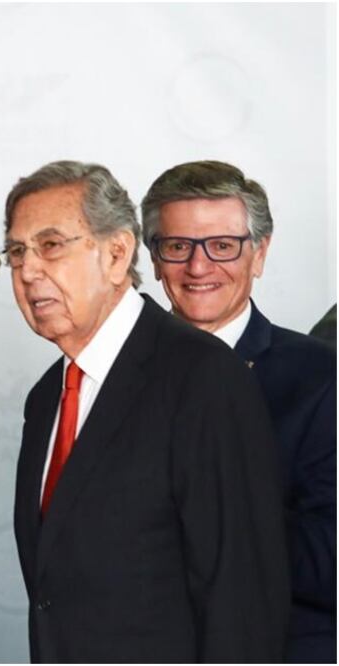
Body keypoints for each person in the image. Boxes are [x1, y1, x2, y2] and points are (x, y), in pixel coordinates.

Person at [5, 161, 289, 662]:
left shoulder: (205, 377)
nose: (28, 271)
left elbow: (241, 601)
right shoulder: (46, 397)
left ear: (117, 254)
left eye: (50, 246)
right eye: (17, 251)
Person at [142, 160, 336, 663]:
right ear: (155, 259)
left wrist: (198, 523)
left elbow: (330, 558)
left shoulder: (322, 378)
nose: (199, 267)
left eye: (223, 246)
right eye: (178, 246)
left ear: (259, 254)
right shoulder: (110, 376)